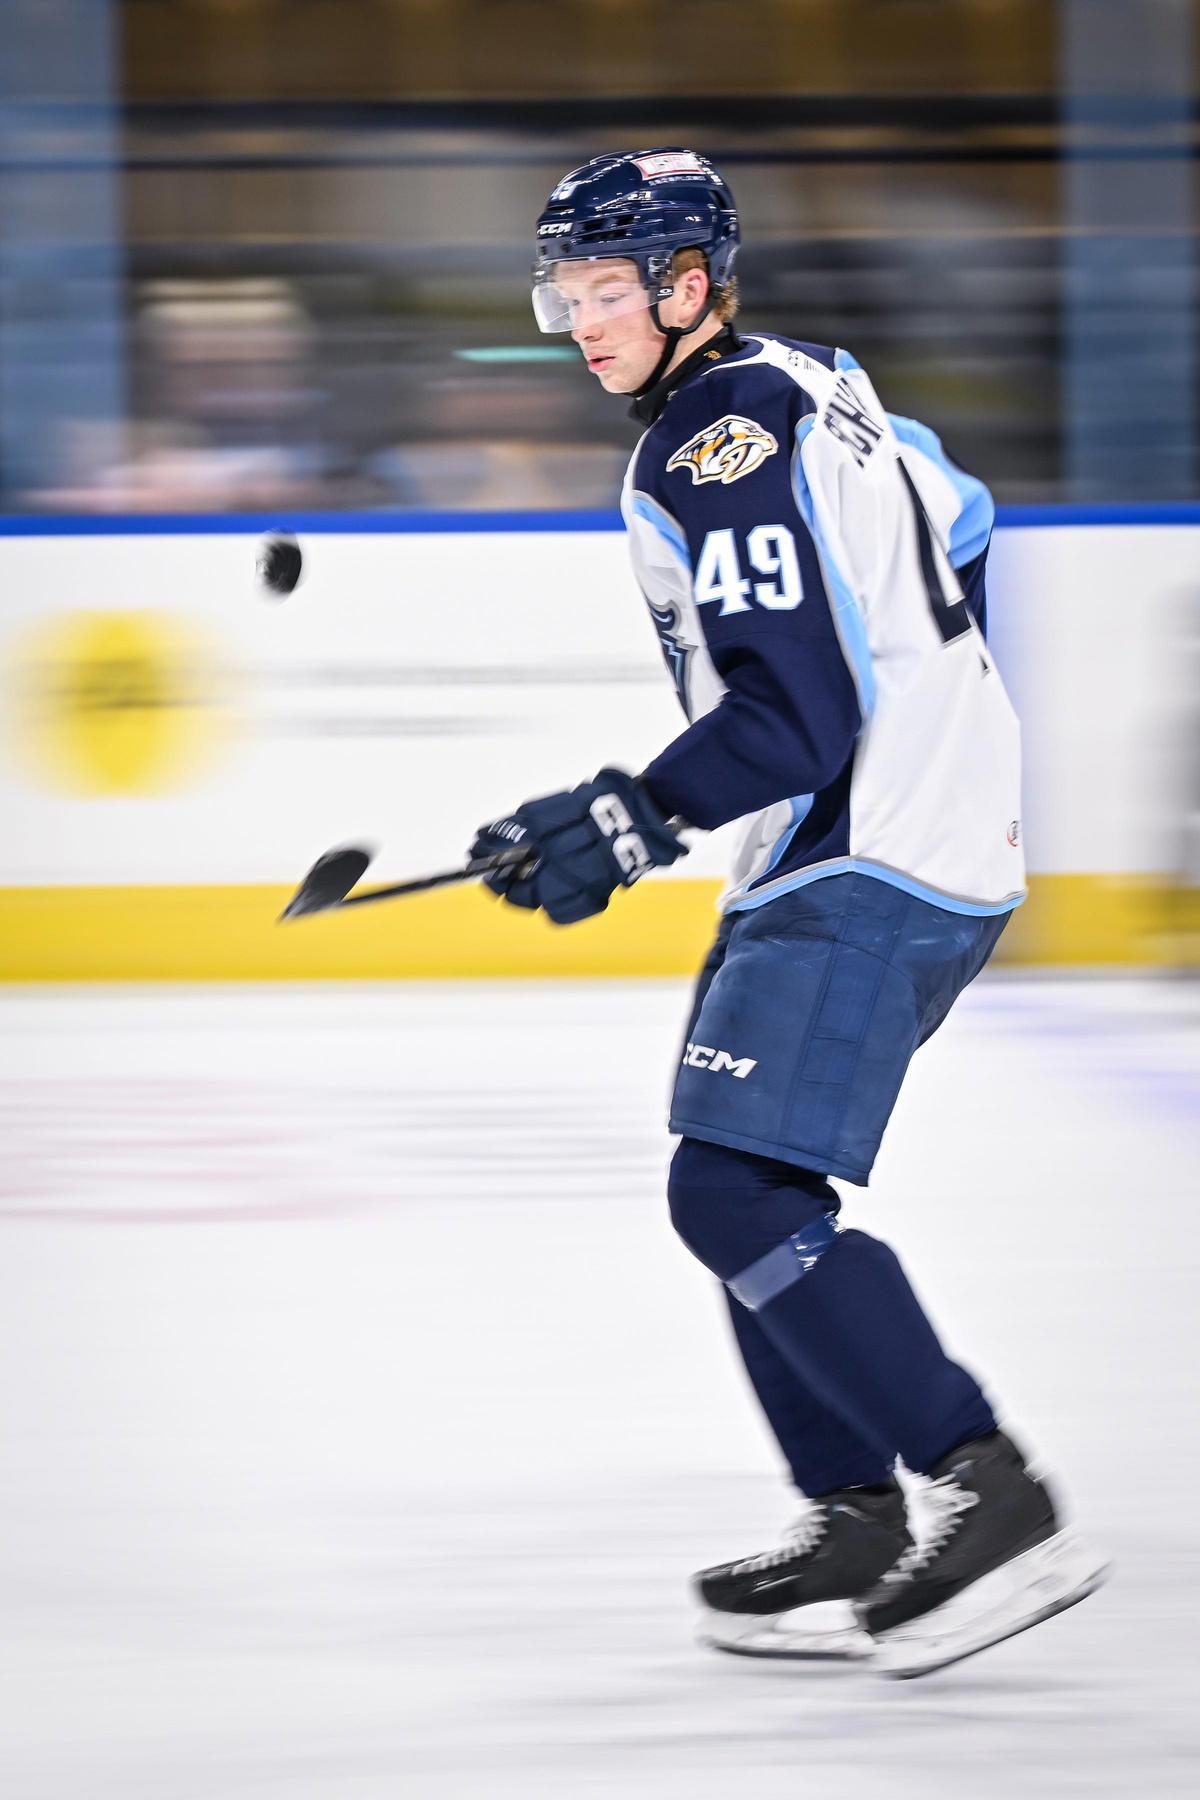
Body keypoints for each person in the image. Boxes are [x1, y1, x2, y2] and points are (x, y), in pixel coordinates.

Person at [470, 148, 1108, 1678]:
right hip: (881, 835)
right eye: (565, 294)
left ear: (688, 286)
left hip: (868, 850)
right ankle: (856, 1518)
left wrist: (627, 814)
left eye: (606, 291)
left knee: (735, 1195)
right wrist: (940, 719)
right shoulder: (820, 379)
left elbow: (801, 712)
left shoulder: (712, 447)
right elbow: (965, 518)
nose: (580, 322)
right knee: (740, 1177)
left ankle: (991, 1494)